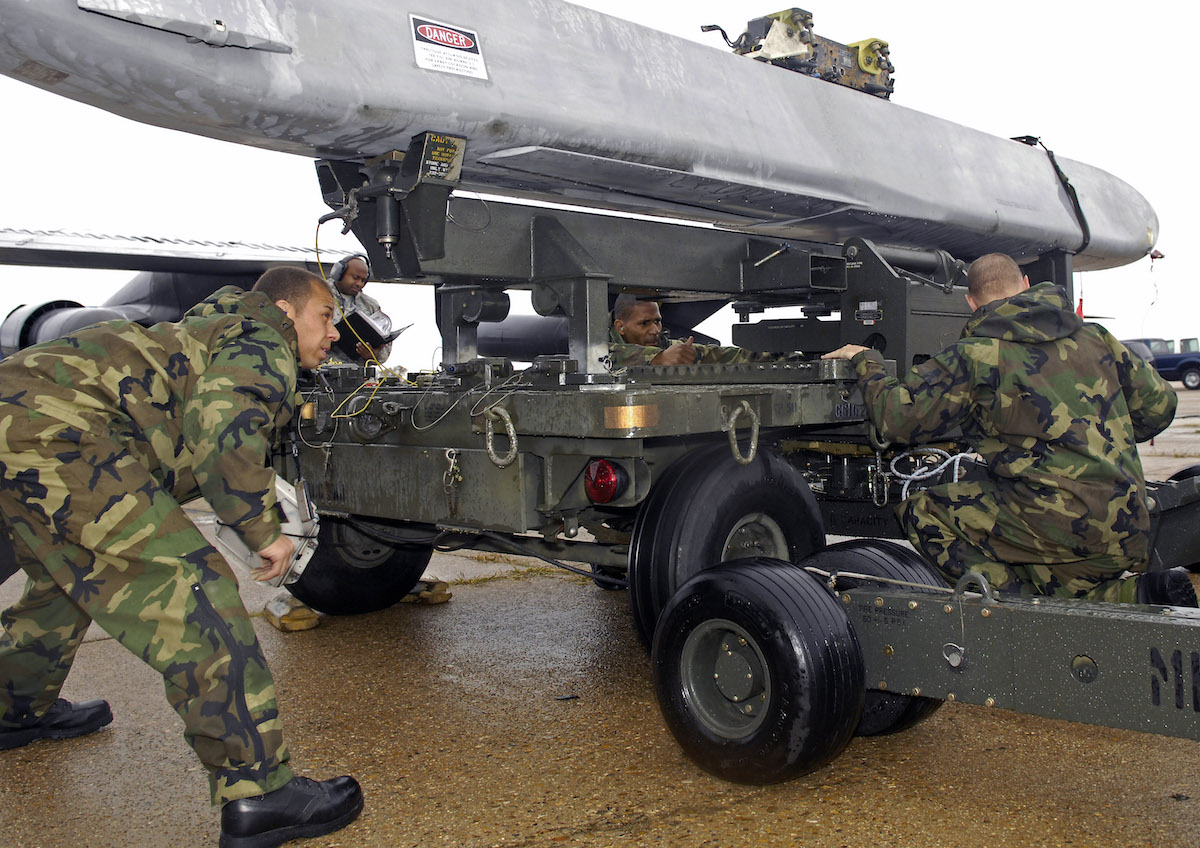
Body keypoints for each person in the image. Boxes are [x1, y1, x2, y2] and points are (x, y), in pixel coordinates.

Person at [0, 267, 364, 847]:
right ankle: (260, 791)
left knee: (60, 582)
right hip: (62, 431)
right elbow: (224, 427)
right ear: (287, 311)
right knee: (195, 591)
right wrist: (260, 529)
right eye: (326, 316)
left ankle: (12, 709)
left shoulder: (211, 330)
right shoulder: (263, 338)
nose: (334, 335)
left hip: (19, 412)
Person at [822, 252, 1189, 605]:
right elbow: (1160, 410)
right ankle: (1135, 595)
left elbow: (895, 419)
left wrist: (865, 360)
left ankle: (1014, 609)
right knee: (1056, 569)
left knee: (924, 510)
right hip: (1129, 522)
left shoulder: (975, 355)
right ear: (1027, 284)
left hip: (1060, 527)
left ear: (971, 302)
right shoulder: (1096, 338)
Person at [610, 294, 795, 367]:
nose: (654, 330)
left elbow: (720, 355)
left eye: (657, 321)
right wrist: (658, 359)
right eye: (644, 323)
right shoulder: (591, 343)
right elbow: (605, 355)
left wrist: (794, 359)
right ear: (620, 327)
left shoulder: (665, 346)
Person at [324, 253, 394, 365]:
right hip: (320, 373)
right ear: (339, 273)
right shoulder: (316, 296)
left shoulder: (370, 305)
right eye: (355, 278)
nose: (359, 284)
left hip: (357, 376)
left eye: (363, 280)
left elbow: (384, 347)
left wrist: (374, 355)